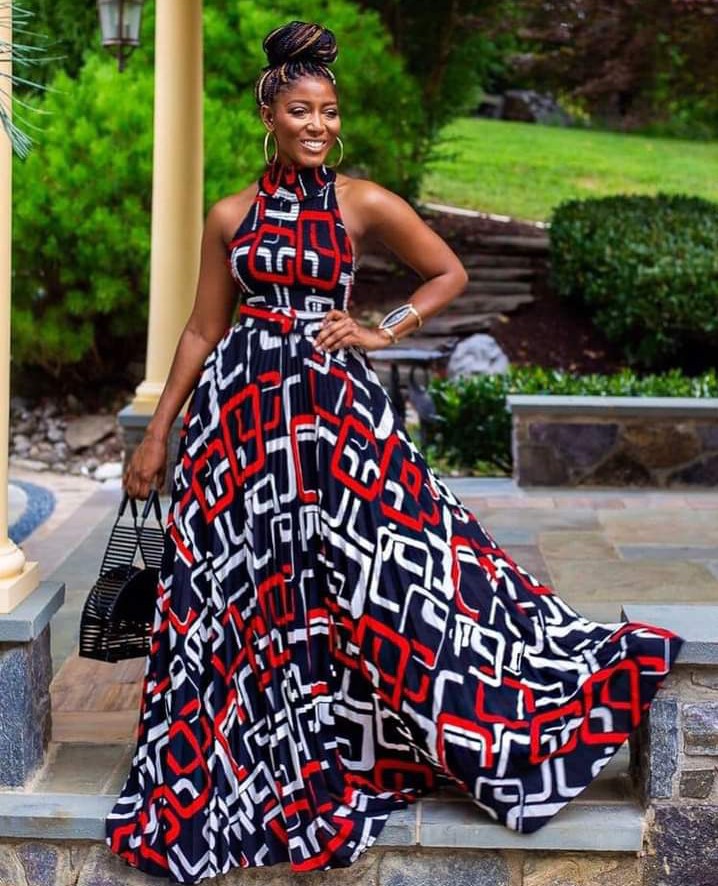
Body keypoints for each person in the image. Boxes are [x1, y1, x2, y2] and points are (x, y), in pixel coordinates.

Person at [106, 20, 685, 886]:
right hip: (240, 436)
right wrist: (159, 432)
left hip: (336, 426)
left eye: (329, 112)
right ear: (268, 115)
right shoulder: (229, 214)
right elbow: (199, 328)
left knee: (405, 569)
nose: (318, 125)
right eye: (301, 110)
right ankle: (253, 759)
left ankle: (488, 714)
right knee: (246, 599)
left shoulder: (362, 203)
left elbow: (446, 273)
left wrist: (384, 328)